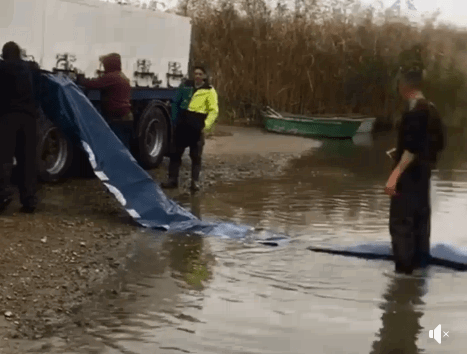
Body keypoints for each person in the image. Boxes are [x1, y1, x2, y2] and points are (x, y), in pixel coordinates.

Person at [384, 69, 446, 275]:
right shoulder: (433, 109)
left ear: (404, 86)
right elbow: (438, 144)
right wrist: (404, 153)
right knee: (420, 224)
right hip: (423, 178)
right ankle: (419, 275)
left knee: (402, 225)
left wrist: (393, 177)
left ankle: (402, 280)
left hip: (408, 178)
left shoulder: (414, 111)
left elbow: (411, 148)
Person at [161, 65, 219, 191]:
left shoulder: (209, 90)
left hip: (197, 125)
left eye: (200, 74)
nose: (197, 76)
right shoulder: (185, 86)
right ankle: (172, 180)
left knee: (196, 156)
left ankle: (195, 182)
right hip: (183, 123)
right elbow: (176, 102)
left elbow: (213, 111)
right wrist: (175, 119)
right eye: (195, 74)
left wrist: (206, 125)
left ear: (204, 76)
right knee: (175, 153)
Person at [0, 41, 41, 214]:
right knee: (27, 160)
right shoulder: (29, 68)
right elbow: (36, 68)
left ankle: (2, 197)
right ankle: (29, 200)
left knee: (4, 160)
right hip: (29, 120)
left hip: (8, 118)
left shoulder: (2, 68)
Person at [77, 53, 133, 145]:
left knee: (116, 145)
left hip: (117, 118)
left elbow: (92, 84)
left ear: (109, 64)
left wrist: (80, 79)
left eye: (104, 65)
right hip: (125, 116)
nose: (103, 67)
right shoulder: (122, 76)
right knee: (124, 145)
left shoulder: (111, 77)